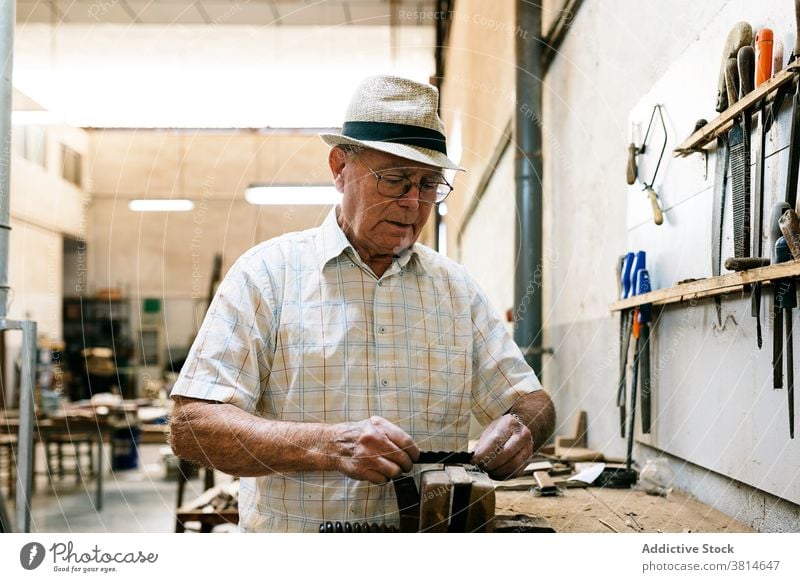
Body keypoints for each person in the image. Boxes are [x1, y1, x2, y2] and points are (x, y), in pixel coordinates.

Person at [169, 74, 556, 532]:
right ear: (339, 167)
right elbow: (191, 427)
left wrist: (521, 430)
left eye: (429, 184)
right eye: (394, 180)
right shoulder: (265, 277)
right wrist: (330, 445)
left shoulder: (455, 289)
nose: (413, 203)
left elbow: (533, 400)